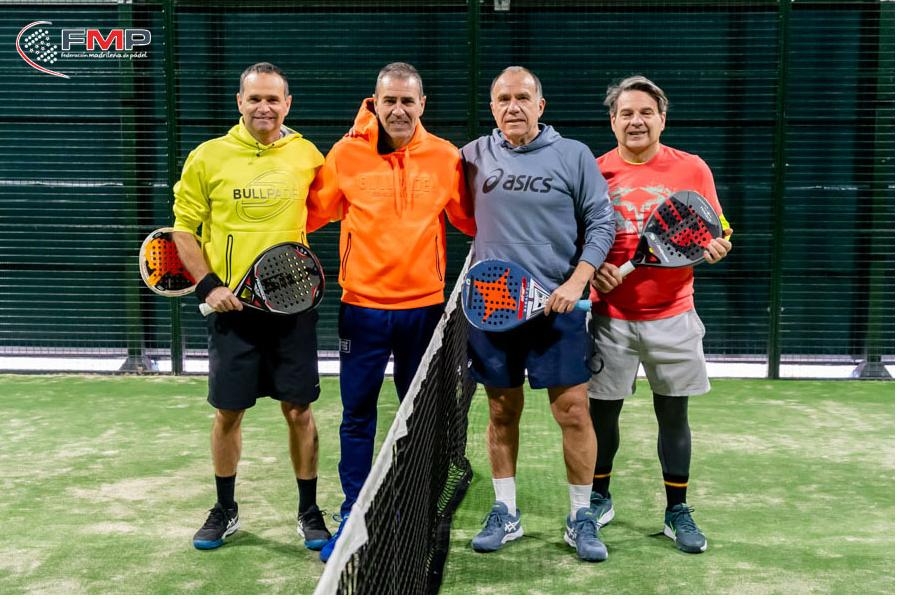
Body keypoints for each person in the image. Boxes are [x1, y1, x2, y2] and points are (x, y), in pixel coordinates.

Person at [306, 62, 476, 563]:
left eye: (407, 101)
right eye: (389, 101)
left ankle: (411, 511)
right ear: (374, 103)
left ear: (422, 104)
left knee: (417, 419)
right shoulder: (346, 154)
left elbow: (470, 220)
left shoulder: (445, 157)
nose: (398, 110)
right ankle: (354, 513)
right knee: (357, 414)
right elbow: (308, 213)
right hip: (361, 310)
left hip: (423, 311)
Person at [172, 62, 331, 552]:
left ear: (287, 104)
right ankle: (225, 509)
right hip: (232, 312)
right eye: (255, 98)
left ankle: (309, 511)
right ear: (239, 102)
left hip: (292, 308)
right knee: (228, 412)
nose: (264, 107)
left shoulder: (308, 155)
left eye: (273, 99)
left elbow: (331, 206)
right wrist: (208, 287)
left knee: (299, 410)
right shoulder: (207, 157)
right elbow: (183, 230)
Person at [461, 66, 616, 562]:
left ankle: (581, 516)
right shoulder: (471, 156)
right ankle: (506, 512)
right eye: (504, 99)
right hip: (493, 308)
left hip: (558, 309)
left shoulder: (573, 155)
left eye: (523, 98)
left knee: (573, 412)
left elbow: (602, 221)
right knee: (501, 411)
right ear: (492, 108)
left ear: (540, 105)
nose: (513, 107)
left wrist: (577, 281)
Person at [587, 75, 733, 554]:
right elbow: (578, 238)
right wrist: (592, 271)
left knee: (673, 414)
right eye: (626, 113)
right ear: (613, 121)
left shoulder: (692, 168)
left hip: (674, 314)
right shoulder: (593, 171)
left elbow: (717, 228)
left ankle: (677, 510)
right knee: (602, 416)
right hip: (610, 317)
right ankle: (599, 498)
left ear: (662, 119)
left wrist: (719, 247)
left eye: (646, 112)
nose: (636, 121)